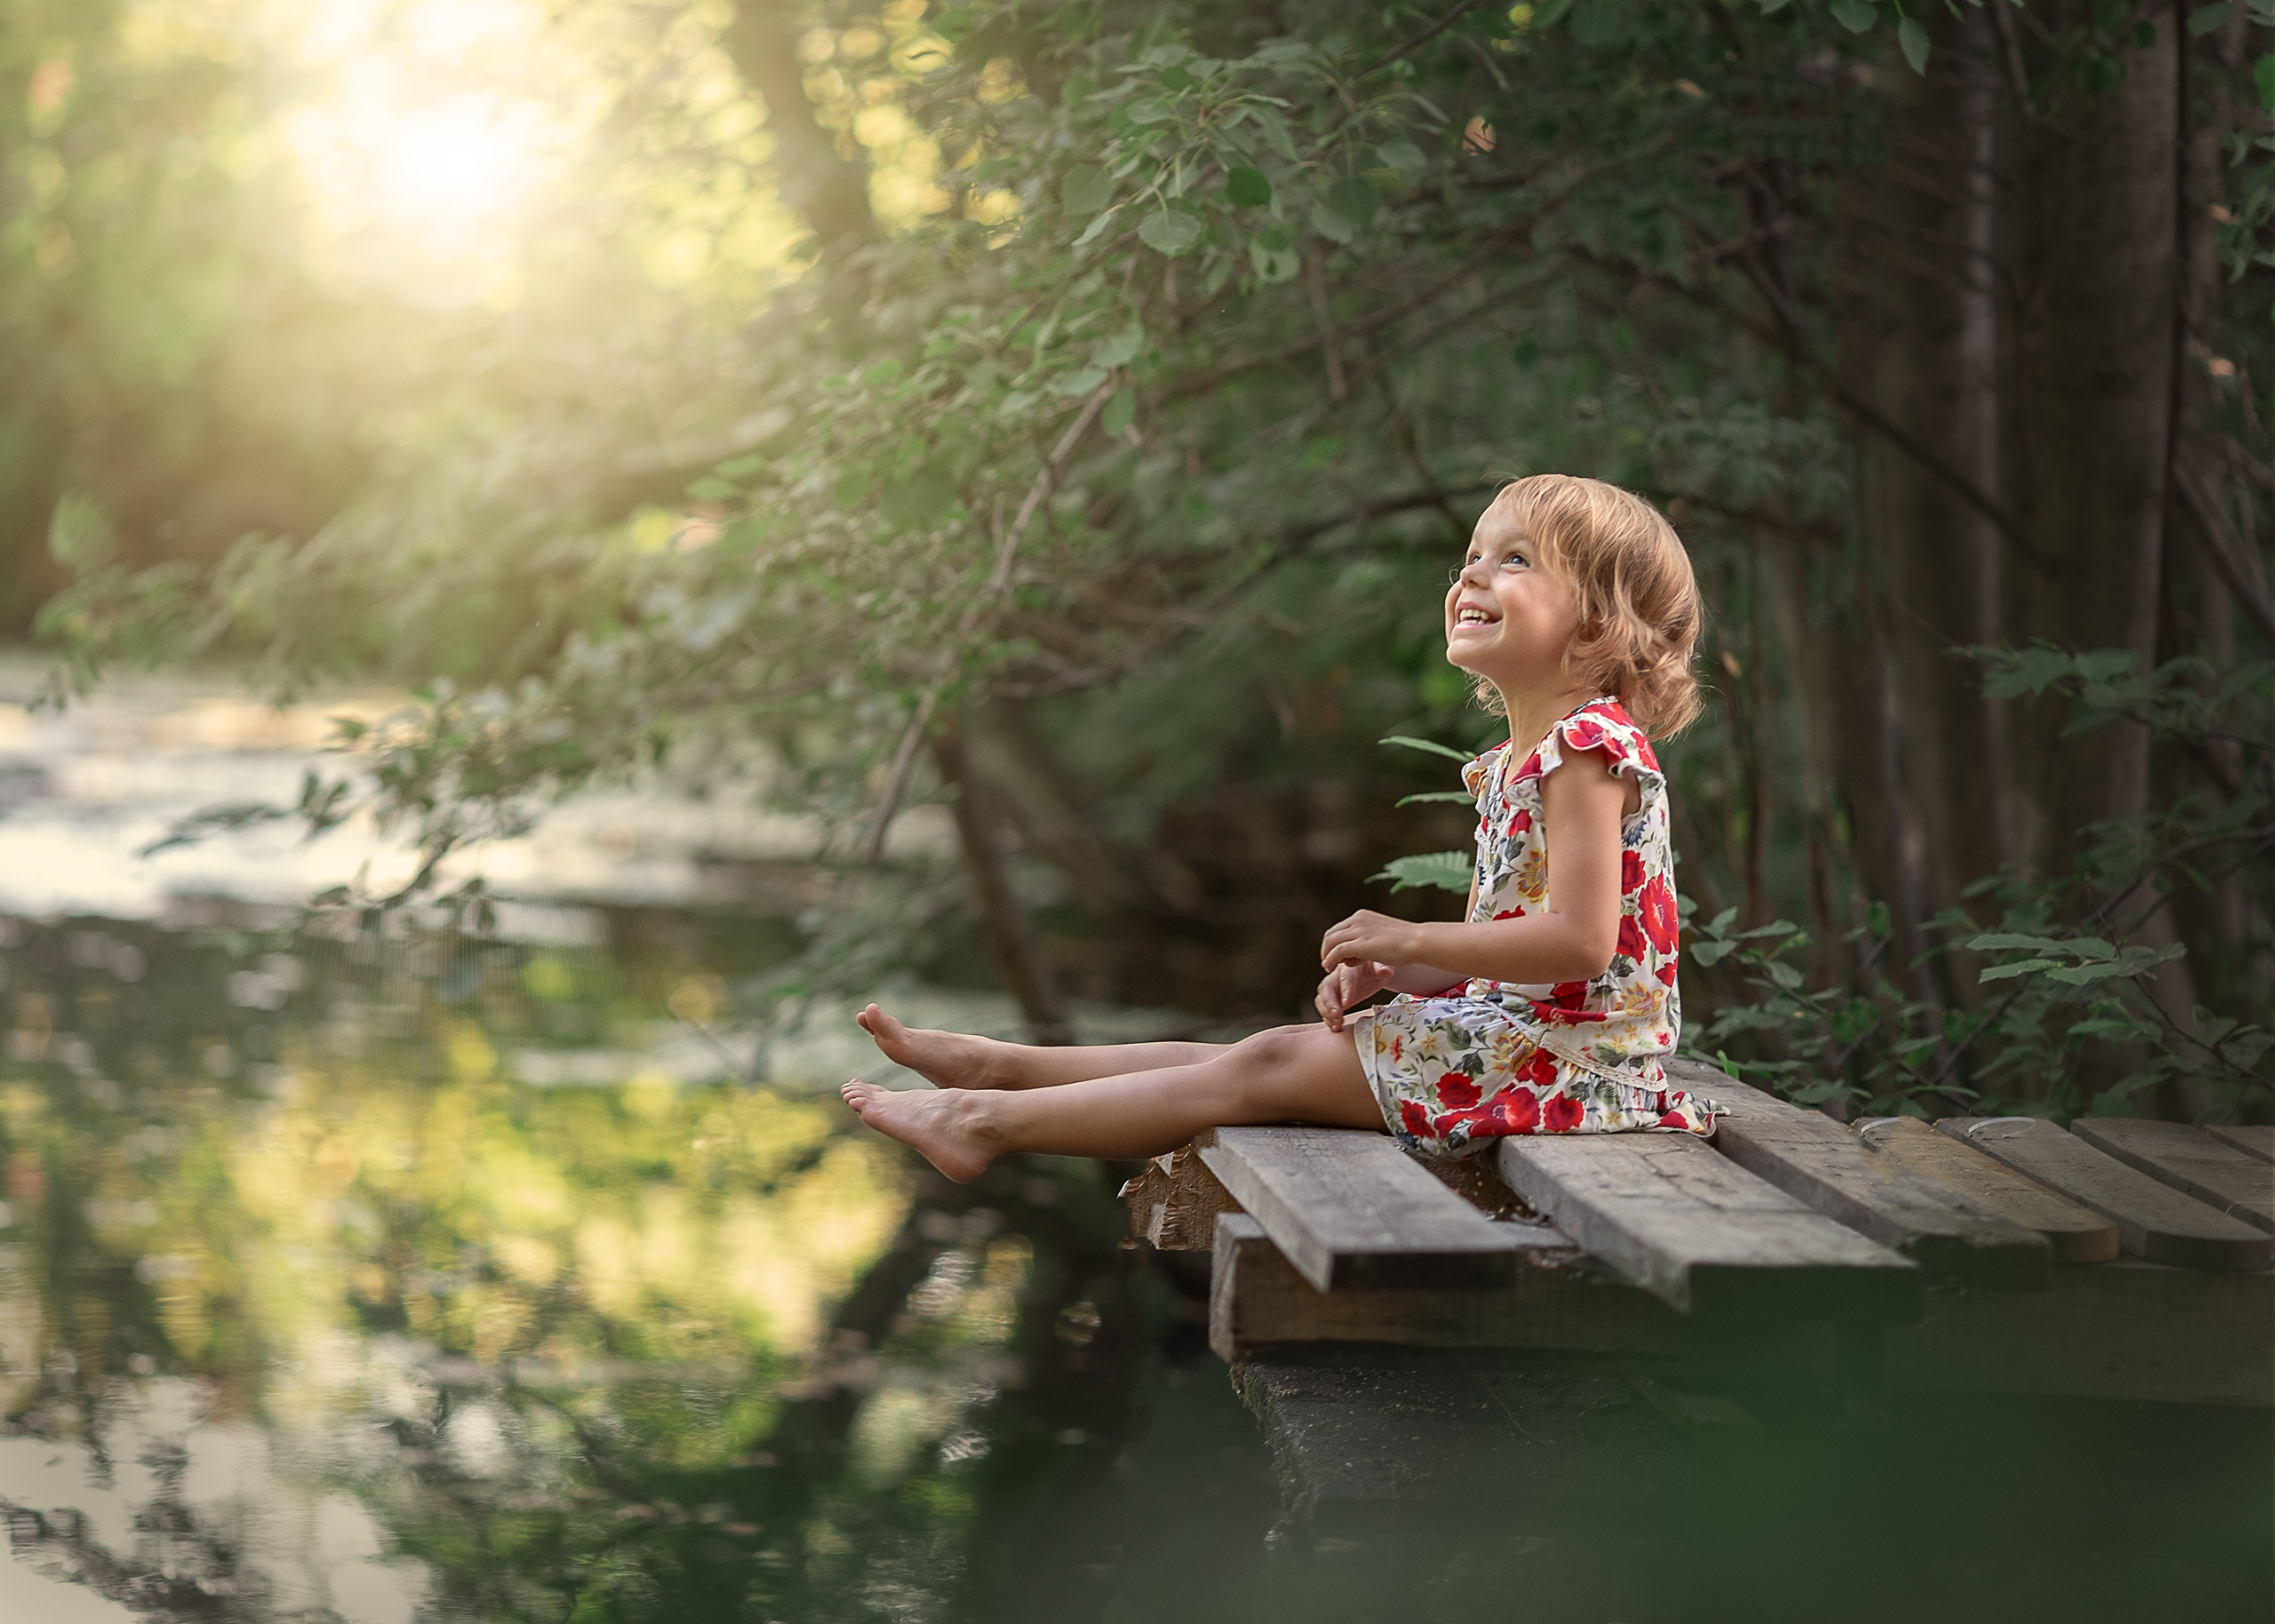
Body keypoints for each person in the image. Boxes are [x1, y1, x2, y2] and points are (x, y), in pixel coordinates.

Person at [841, 474, 1720, 1183]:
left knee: (1263, 1065)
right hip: (1523, 1044)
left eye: (1515, 559)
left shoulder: (1588, 748)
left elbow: (1578, 944)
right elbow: (1516, 940)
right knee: (1248, 1056)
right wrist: (1402, 969)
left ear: (1596, 623)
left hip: (1571, 1073)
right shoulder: (1522, 758)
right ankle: (1003, 1068)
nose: (1472, 576)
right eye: (1470, 556)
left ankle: (982, 1120)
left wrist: (1416, 931)